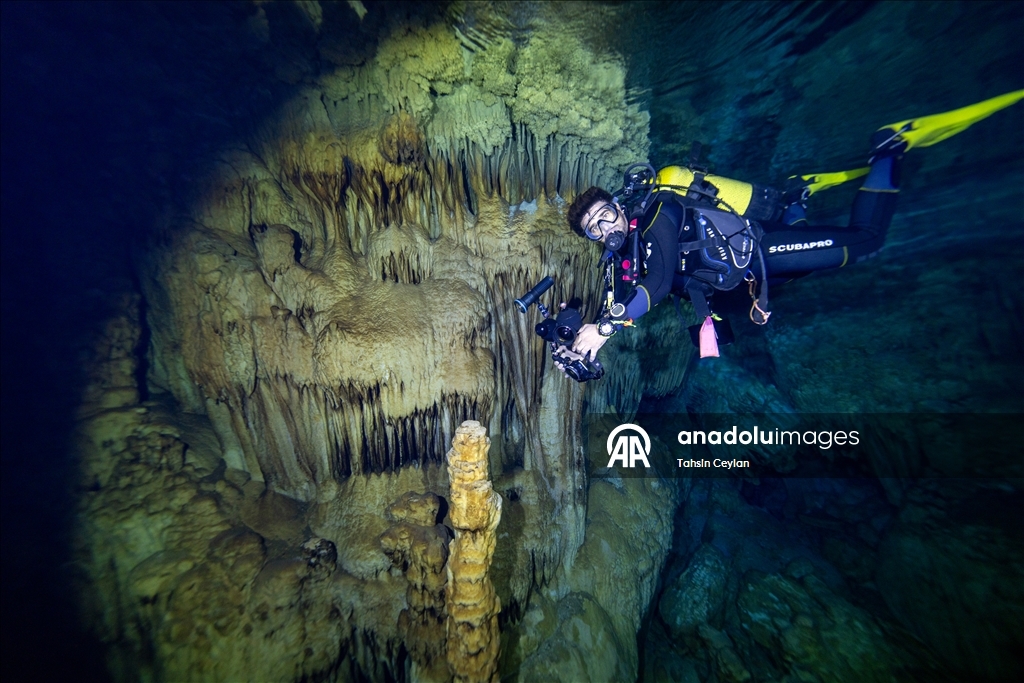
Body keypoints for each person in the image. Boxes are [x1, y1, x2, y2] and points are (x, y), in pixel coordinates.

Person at [559, 90, 1024, 368]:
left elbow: (657, 284)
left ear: (619, 206)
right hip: (743, 279)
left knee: (864, 243)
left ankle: (888, 147)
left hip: (761, 252)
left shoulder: (659, 211)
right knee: (800, 278)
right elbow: (621, 298)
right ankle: (798, 199)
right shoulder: (623, 258)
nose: (604, 227)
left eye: (604, 214)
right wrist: (578, 322)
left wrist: (604, 329)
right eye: (593, 230)